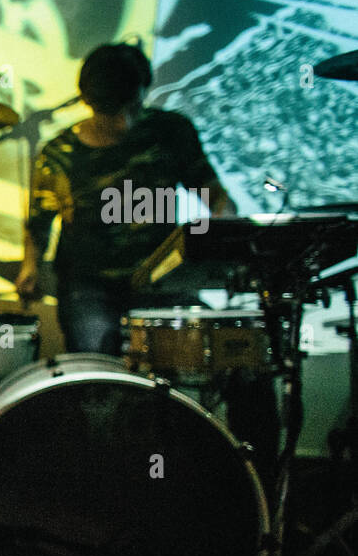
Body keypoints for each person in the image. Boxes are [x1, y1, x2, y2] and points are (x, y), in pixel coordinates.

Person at [16, 42, 235, 353]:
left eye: (132, 109)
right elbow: (38, 223)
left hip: (161, 279)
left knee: (224, 346)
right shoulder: (58, 154)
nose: (124, 123)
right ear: (90, 103)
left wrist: (226, 231)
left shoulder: (170, 131)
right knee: (95, 363)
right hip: (87, 286)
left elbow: (211, 190)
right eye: (112, 114)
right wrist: (30, 267)